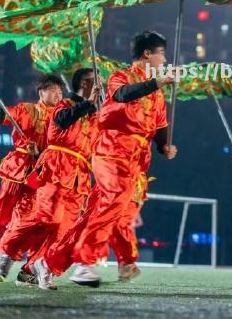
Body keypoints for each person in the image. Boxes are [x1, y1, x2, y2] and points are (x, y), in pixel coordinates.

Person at [34, 31, 177, 290]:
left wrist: (164, 146)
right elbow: (123, 95)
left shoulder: (158, 92)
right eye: (161, 54)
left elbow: (160, 126)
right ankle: (86, 263)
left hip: (136, 159)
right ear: (148, 54)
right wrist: (157, 83)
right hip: (112, 150)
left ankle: (49, 262)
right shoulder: (121, 77)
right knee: (115, 200)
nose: (164, 59)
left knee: (98, 213)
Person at [0, 68, 101, 287]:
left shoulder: (94, 113)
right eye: (96, 80)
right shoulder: (64, 105)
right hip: (57, 167)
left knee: (64, 229)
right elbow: (62, 121)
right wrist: (88, 103)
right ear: (84, 83)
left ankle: (37, 268)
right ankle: (8, 247)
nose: (101, 84)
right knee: (47, 218)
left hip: (79, 176)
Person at [0, 73, 64, 280]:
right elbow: (1, 116)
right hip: (18, 168)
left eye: (60, 91)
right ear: (41, 92)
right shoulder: (28, 110)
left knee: (23, 219)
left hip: (40, 173)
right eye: (53, 89)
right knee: (2, 215)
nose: (58, 94)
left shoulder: (61, 117)